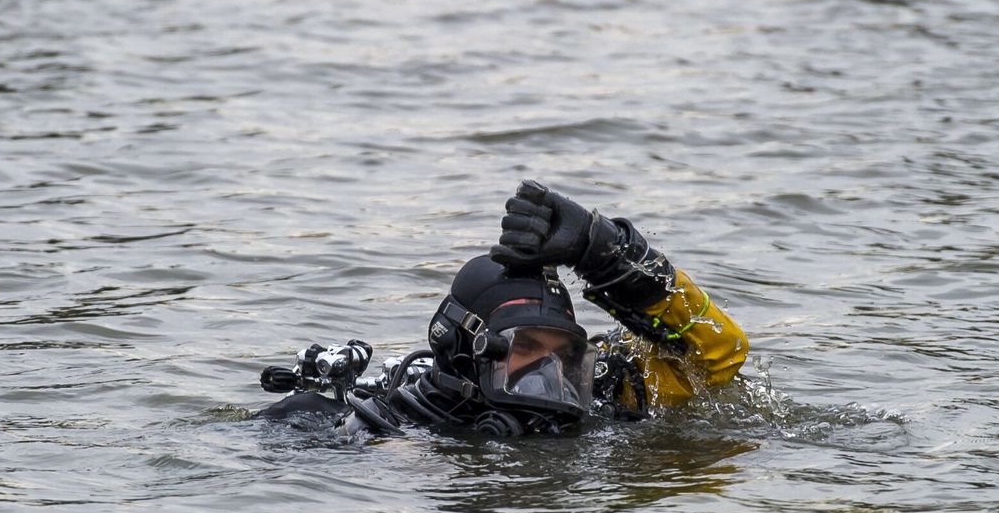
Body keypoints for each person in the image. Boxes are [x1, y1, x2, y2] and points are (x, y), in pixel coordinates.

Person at [257, 180, 748, 436]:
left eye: (565, 355)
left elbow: (721, 353)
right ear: (467, 352)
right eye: (527, 350)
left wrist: (602, 251)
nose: (549, 371)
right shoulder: (392, 427)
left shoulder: (600, 399)